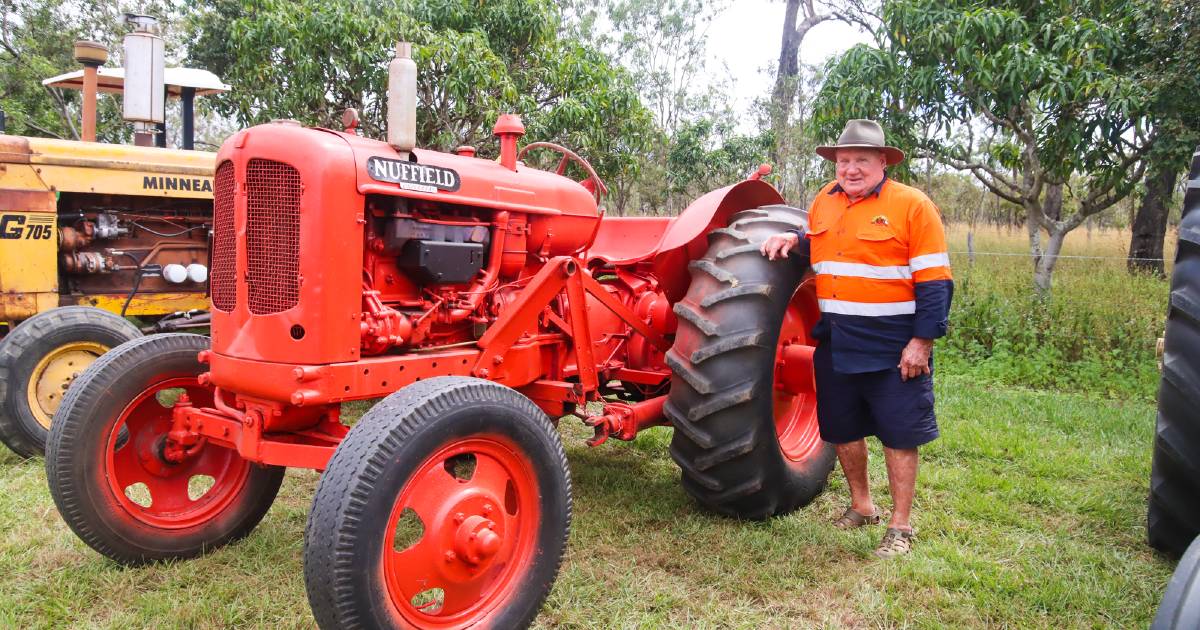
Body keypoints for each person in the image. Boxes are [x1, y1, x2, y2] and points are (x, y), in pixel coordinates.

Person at [759, 119, 953, 558]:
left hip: (894, 344)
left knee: (899, 435)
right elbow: (819, 247)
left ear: (882, 161)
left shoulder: (912, 206)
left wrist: (921, 342)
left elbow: (936, 282)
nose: (850, 169)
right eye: (843, 161)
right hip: (837, 339)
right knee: (843, 429)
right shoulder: (825, 202)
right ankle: (862, 506)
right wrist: (791, 240)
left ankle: (900, 526)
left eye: (861, 160)